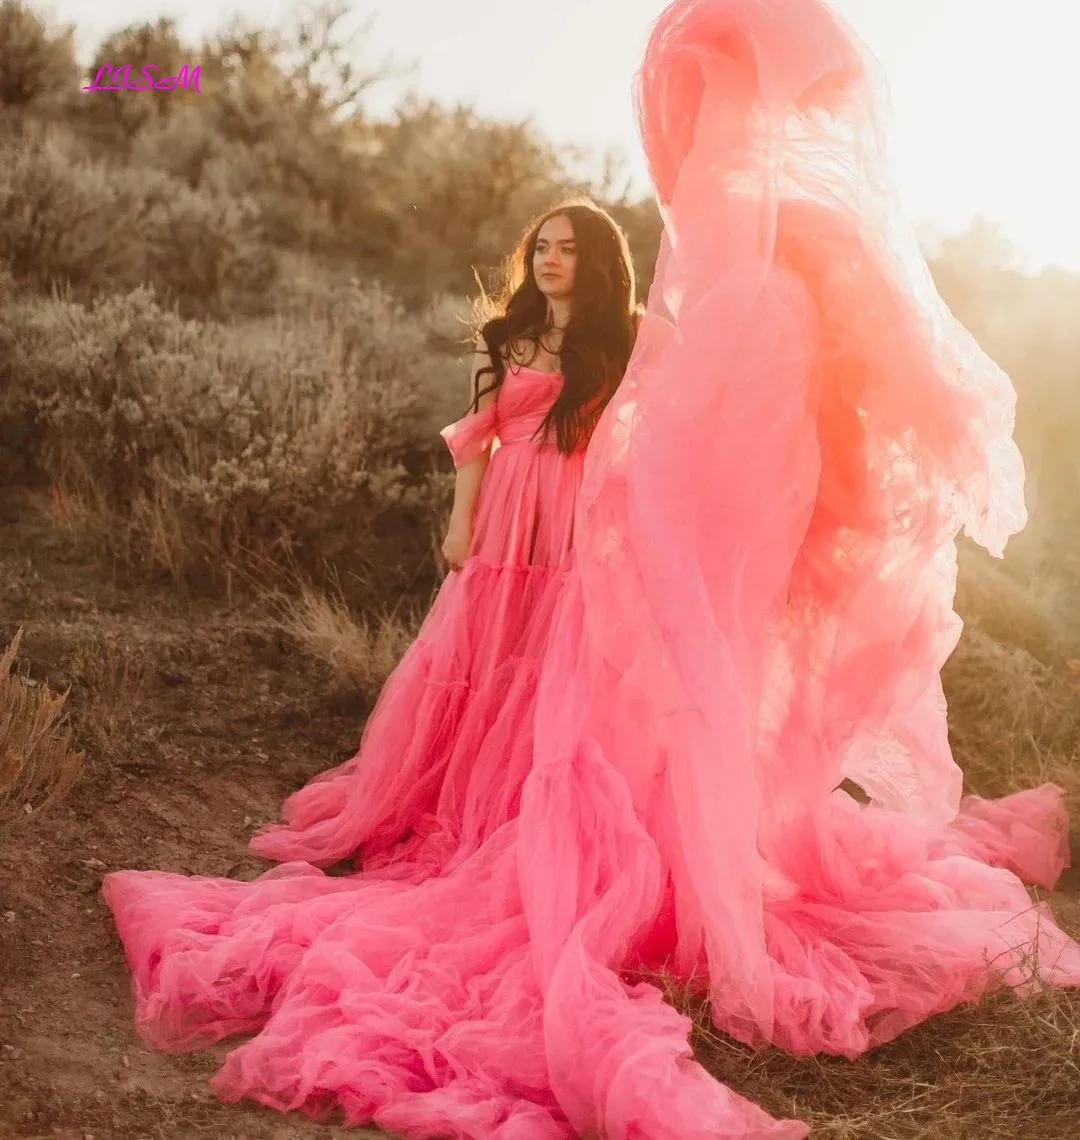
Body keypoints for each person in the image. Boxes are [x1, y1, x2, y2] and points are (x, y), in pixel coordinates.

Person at [102, 2, 1080, 1138]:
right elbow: (515, 430)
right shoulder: (654, 305)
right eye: (547, 248)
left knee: (599, 711)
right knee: (494, 675)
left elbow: (682, 429)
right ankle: (462, 803)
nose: (556, 260)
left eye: (573, 248)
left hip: (597, 534)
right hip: (534, 528)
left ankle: (605, 854)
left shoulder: (728, 296)